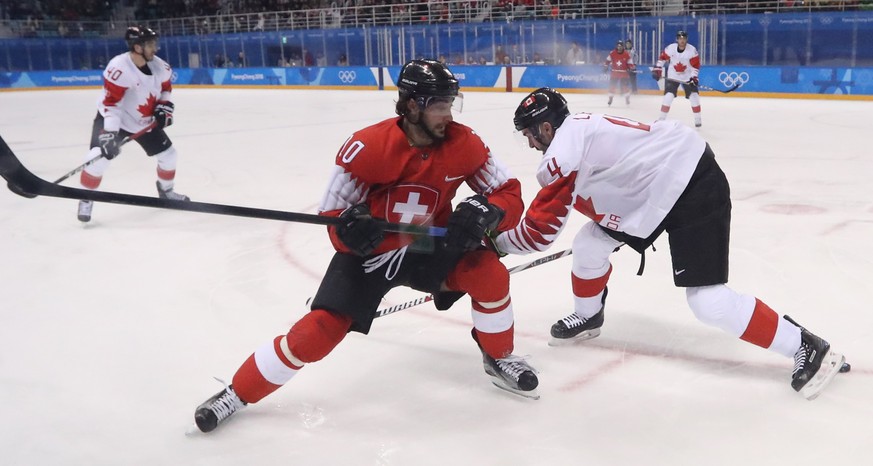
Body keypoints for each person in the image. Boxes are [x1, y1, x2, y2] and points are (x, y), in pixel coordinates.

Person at [192, 59, 539, 433]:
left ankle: (499, 357)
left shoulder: (465, 143)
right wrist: (349, 231)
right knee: (316, 333)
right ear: (411, 106)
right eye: (440, 105)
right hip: (372, 251)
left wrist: (488, 210)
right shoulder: (367, 147)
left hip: (428, 242)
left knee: (489, 274)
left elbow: (507, 192)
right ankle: (237, 393)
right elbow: (333, 214)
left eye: (450, 104)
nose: (447, 114)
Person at [498, 87, 846, 401]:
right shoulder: (580, 130)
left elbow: (540, 231)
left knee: (708, 301)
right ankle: (589, 316)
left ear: (546, 128)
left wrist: (497, 245)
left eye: (529, 135)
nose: (529, 144)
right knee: (589, 244)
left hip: (691, 185)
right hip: (649, 193)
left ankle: (805, 345)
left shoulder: (564, 152)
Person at [76, 25, 189, 223]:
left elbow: (166, 89)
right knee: (97, 159)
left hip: (142, 121)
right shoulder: (119, 68)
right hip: (114, 119)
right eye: (150, 44)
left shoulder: (160, 66)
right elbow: (111, 104)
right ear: (137, 47)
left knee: (169, 156)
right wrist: (110, 133)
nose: (155, 48)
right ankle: (86, 197)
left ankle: (166, 191)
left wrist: (164, 107)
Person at [652, 30, 702, 127]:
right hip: (673, 75)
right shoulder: (671, 48)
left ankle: (697, 118)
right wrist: (657, 68)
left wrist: (694, 77)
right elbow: (662, 58)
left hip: (687, 76)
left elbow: (695, 66)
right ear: (677, 39)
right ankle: (661, 119)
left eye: (684, 39)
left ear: (686, 39)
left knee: (694, 96)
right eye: (680, 39)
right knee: (668, 96)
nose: (682, 41)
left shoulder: (692, 50)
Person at [603, 40, 635, 106]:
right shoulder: (612, 53)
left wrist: (631, 68)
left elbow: (630, 63)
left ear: (623, 47)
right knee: (612, 86)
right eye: (618, 46)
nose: (619, 47)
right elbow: (607, 61)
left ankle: (627, 98)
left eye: (620, 46)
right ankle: (610, 98)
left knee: (625, 87)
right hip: (614, 73)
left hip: (624, 73)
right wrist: (605, 66)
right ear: (616, 46)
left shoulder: (626, 54)